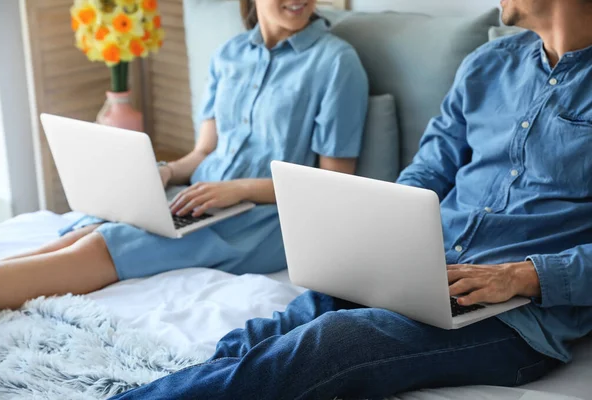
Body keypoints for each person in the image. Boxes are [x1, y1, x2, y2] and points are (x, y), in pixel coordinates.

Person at [108, 0, 592, 398]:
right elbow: (431, 166)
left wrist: (521, 276)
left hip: (516, 318)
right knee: (265, 333)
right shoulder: (488, 66)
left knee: (331, 342)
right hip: (418, 271)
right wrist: (382, 226)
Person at [0, 0, 368, 311]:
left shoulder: (336, 62)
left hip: (266, 218)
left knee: (103, 245)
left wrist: (238, 190)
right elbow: (205, 150)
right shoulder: (230, 54)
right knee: (85, 232)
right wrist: (166, 172)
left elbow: (332, 184)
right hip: (202, 196)